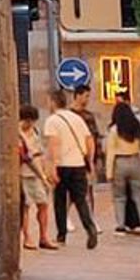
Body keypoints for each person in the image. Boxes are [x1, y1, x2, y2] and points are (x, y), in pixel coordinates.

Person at [43, 89, 98, 247]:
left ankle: (61, 235)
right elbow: (89, 140)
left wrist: (52, 166)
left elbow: (54, 144)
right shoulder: (76, 118)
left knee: (60, 201)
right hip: (78, 164)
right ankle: (90, 228)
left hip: (62, 165)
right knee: (81, 200)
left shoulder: (52, 120)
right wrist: (90, 160)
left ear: (53, 102)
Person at [105, 100, 140, 236]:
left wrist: (109, 173)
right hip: (135, 161)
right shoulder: (136, 127)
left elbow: (110, 152)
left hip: (119, 163)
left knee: (119, 197)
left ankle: (121, 226)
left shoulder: (114, 130)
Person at [17, 104, 54, 252]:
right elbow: (27, 158)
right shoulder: (17, 134)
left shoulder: (36, 131)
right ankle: (27, 237)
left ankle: (43, 236)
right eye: (28, 121)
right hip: (23, 173)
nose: (30, 124)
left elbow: (40, 153)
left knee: (43, 203)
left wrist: (45, 171)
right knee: (25, 206)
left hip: (37, 172)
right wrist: (42, 175)